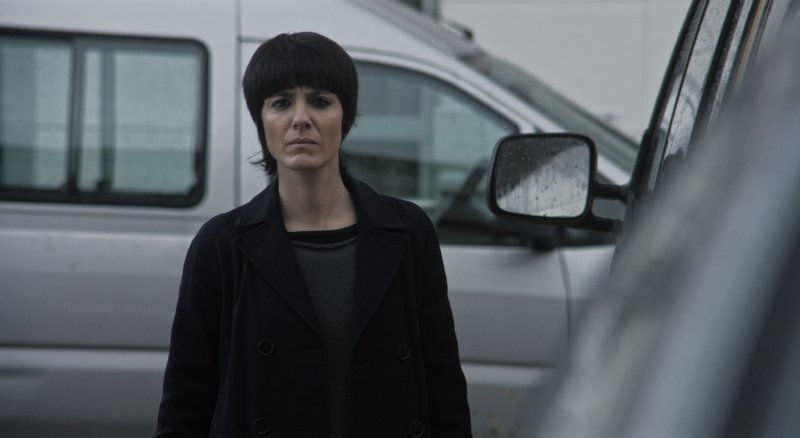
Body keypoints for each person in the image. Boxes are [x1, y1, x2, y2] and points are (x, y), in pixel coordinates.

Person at [155, 31, 472, 437]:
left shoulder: (408, 232)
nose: (300, 118)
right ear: (261, 119)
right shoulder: (221, 245)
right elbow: (186, 402)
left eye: (320, 102)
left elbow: (444, 387)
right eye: (281, 103)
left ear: (345, 116)